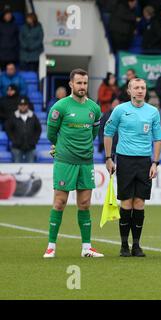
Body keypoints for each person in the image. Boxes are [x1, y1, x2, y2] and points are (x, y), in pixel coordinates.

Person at [43, 68, 104, 258]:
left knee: (84, 204)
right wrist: (58, 146)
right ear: (71, 84)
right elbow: (51, 134)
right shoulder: (60, 107)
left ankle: (86, 247)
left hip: (86, 162)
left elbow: (93, 134)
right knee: (60, 202)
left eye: (85, 83)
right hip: (65, 161)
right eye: (79, 83)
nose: (82, 86)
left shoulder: (94, 108)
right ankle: (51, 246)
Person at [104, 78, 161, 257]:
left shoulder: (153, 112)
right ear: (129, 90)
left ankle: (136, 245)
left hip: (145, 162)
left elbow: (158, 138)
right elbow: (108, 133)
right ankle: (124, 245)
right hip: (125, 160)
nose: (140, 90)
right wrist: (108, 158)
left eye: (143, 88)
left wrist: (155, 162)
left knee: (139, 203)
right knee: (126, 202)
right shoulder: (120, 110)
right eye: (136, 87)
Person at [4, 96, 41, 163]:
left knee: (30, 169)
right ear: (18, 106)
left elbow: (38, 129)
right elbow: (8, 129)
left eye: (24, 105)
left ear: (27, 106)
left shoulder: (33, 116)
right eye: (21, 105)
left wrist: (34, 141)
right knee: (16, 168)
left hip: (30, 147)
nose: (23, 107)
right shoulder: (13, 116)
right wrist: (14, 140)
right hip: (16, 147)